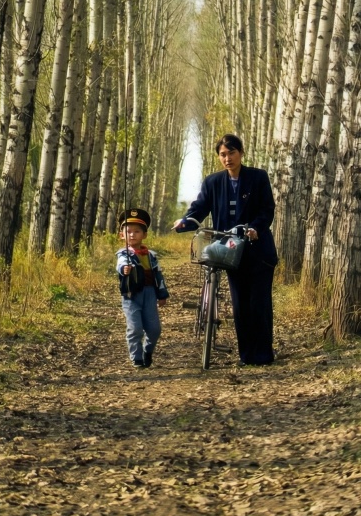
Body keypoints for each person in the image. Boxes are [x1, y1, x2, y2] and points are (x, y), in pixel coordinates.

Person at [174, 134, 277, 365]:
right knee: (240, 304)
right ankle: (246, 355)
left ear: (241, 153)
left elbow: (267, 209)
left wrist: (255, 228)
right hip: (230, 252)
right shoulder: (213, 182)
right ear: (218, 157)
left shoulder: (258, 177)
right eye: (223, 154)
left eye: (231, 153)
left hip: (258, 251)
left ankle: (263, 354)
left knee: (259, 303)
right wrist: (184, 222)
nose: (227, 158)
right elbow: (199, 208)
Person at [116, 208, 169, 368]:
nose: (132, 235)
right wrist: (125, 268)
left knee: (154, 329)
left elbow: (158, 276)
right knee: (135, 329)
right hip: (131, 296)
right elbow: (121, 263)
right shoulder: (124, 254)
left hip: (150, 294)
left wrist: (162, 294)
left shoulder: (151, 255)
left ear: (144, 234)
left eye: (137, 231)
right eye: (128, 231)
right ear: (122, 235)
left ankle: (148, 351)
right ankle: (137, 358)